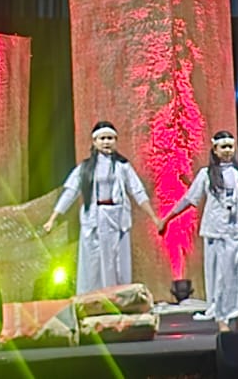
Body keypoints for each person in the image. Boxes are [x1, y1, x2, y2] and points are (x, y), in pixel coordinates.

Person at [157, 130, 238, 333]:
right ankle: (222, 320)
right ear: (215, 149)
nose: (228, 151)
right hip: (216, 232)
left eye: (230, 147)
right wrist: (167, 219)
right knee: (220, 276)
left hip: (237, 231)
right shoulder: (206, 174)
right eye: (223, 147)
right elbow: (188, 199)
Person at [42, 121, 159, 293]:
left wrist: (154, 217)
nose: (106, 142)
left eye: (110, 138)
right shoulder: (85, 168)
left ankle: (118, 297)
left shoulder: (123, 166)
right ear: (94, 142)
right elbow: (70, 193)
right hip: (95, 219)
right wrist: (52, 218)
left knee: (116, 262)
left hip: (117, 218)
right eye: (102, 138)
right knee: (94, 263)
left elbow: (137, 191)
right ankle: (94, 298)